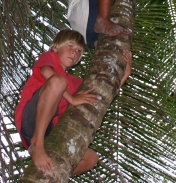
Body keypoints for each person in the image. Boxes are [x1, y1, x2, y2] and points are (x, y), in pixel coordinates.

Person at [14, 29, 132, 173]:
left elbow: (102, 95)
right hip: (30, 120)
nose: (74, 52)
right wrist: (72, 99)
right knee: (59, 81)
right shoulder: (50, 57)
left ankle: (52, 176)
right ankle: (36, 145)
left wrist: (125, 75)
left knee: (91, 159)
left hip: (50, 133)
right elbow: (46, 72)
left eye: (78, 51)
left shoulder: (74, 82)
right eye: (70, 46)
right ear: (56, 47)